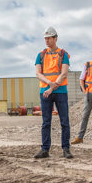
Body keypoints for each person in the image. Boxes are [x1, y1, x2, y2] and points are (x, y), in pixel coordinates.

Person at [33, 27, 73, 159]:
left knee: (64, 121)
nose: (47, 40)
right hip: (45, 92)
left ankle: (66, 149)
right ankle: (45, 150)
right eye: (45, 38)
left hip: (60, 92)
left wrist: (51, 87)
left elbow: (64, 73)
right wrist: (49, 84)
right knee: (46, 122)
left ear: (55, 38)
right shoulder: (41, 55)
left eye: (49, 38)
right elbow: (38, 73)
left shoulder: (63, 54)